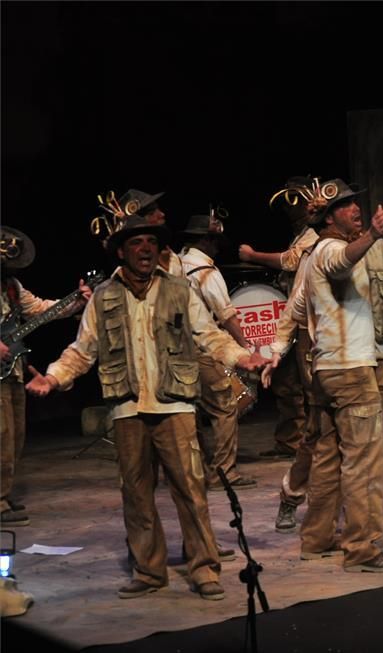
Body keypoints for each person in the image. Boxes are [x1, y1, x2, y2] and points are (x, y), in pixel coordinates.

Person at [26, 214, 268, 600]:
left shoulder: (179, 289)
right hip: (128, 410)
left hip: (174, 407)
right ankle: (149, 571)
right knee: (136, 494)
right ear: (121, 251)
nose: (145, 249)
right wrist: (53, 378)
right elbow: (82, 350)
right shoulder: (104, 296)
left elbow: (209, 334)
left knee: (190, 491)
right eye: (136, 243)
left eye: (151, 243)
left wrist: (241, 358)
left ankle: (204, 568)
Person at [265, 178, 383, 572]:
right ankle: (362, 549)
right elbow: (342, 261)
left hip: (327, 372)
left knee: (327, 457)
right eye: (346, 207)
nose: (356, 211)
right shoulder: (330, 250)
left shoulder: (312, 255)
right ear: (330, 217)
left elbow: (295, 306)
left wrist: (276, 352)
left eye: (355, 205)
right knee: (363, 463)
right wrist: (374, 236)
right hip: (350, 370)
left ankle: (316, 539)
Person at [1, 226, 92, 527]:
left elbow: (40, 309)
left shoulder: (12, 286)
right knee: (1, 435)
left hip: (12, 370)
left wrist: (76, 302)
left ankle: (3, 493)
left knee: (15, 435)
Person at [240, 176, 320, 459]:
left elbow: (291, 260)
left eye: (295, 203)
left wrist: (253, 256)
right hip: (296, 321)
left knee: (309, 385)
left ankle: (313, 443)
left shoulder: (315, 234)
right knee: (288, 383)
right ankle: (292, 442)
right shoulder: (302, 234)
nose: (290, 209)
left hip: (309, 322)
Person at [179, 211, 257, 490]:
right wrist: (246, 348)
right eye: (214, 240)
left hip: (176, 350)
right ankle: (224, 471)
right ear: (205, 241)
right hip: (203, 348)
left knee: (190, 411)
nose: (217, 245)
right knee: (226, 406)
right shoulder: (206, 272)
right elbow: (227, 316)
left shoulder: (175, 265)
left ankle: (196, 470)